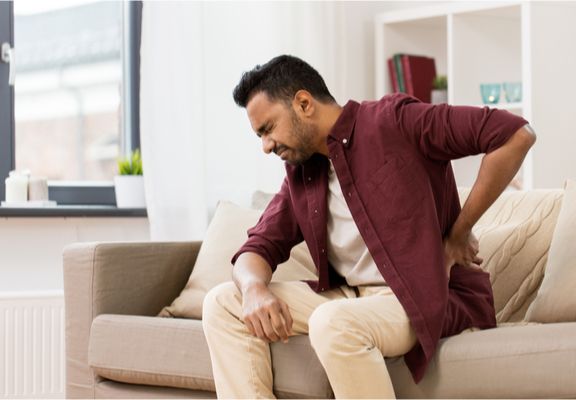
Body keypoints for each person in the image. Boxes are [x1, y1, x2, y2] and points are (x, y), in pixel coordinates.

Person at [202, 55, 536, 399]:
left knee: (333, 323)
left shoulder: (395, 120)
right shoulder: (303, 174)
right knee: (223, 302)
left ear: (303, 103)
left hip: (423, 294)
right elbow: (257, 248)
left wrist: (459, 232)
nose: (266, 146)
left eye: (267, 129)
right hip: (352, 299)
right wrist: (255, 289)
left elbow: (515, 135)